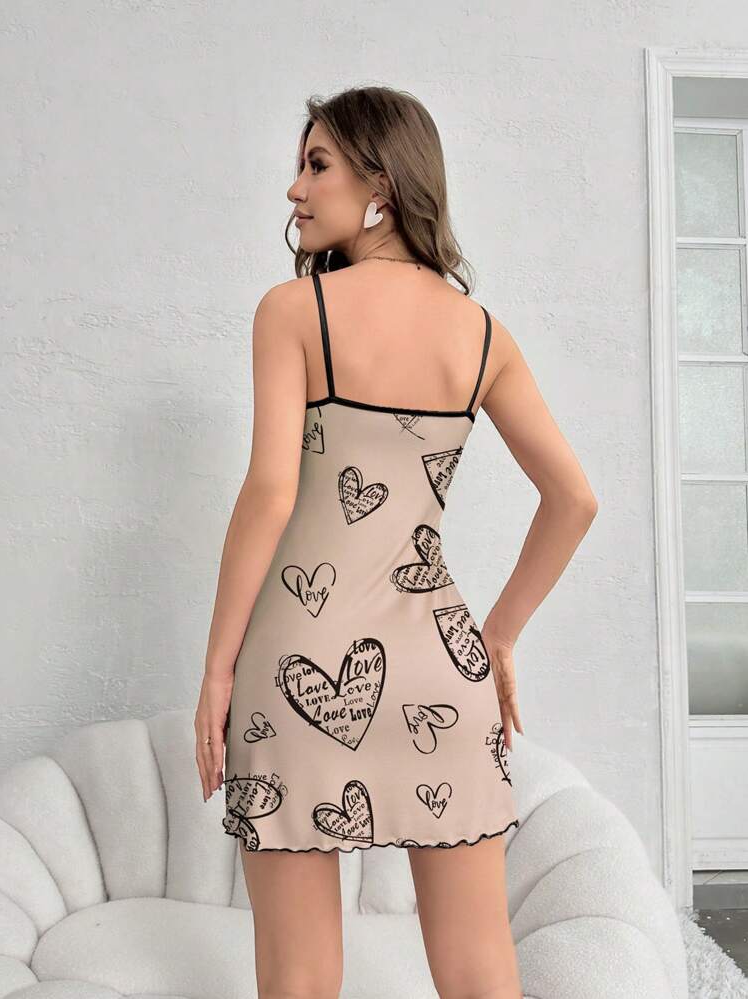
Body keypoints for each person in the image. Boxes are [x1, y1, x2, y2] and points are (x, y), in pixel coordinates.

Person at [194, 84, 597, 999]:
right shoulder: (482, 334)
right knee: (479, 970)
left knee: (299, 977)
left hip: (296, 660)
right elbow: (573, 498)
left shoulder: (293, 311)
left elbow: (270, 493)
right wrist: (497, 637)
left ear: (380, 182)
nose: (294, 188)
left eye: (317, 164)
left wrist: (217, 667)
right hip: (440, 668)